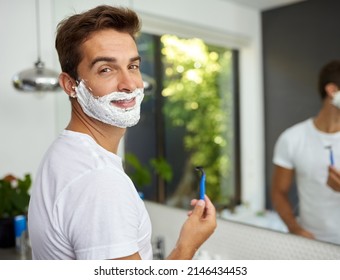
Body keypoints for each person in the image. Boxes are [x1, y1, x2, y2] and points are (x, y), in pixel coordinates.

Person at [27, 5, 216, 260]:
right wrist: (187, 247)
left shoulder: (65, 152)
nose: (129, 85)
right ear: (70, 85)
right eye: (106, 69)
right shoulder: (100, 181)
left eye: (133, 66)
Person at [271, 60, 340, 245]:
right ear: (333, 91)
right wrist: (295, 228)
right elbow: (278, 192)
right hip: (312, 245)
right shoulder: (292, 138)